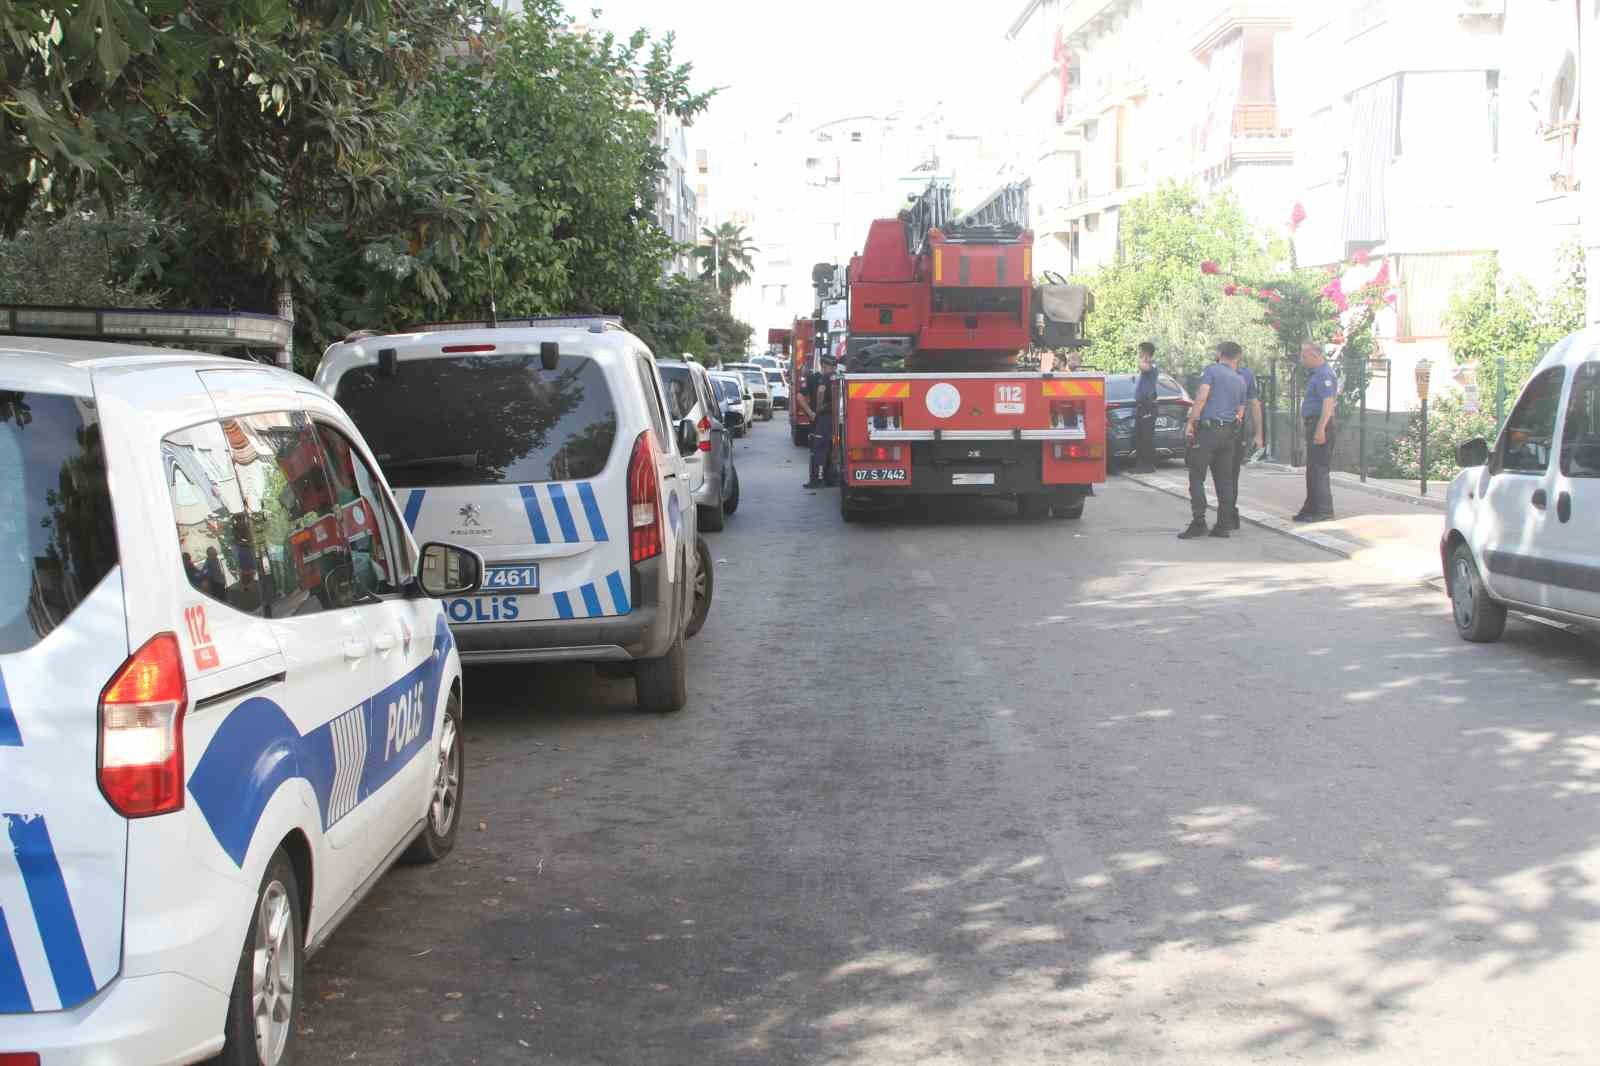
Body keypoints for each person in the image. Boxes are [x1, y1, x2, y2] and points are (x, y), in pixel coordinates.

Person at [1179, 341, 1247, 540]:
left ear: (1219, 354)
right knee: (1224, 480)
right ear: (1237, 358)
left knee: (1197, 476)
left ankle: (1199, 522)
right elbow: (1240, 412)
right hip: (1228, 434)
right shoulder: (1240, 380)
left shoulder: (1212, 371)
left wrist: (1191, 422)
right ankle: (1223, 525)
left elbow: (1201, 397)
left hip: (1208, 432)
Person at [1221, 351, 1266, 531]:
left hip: (1233, 430)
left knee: (1228, 474)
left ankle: (1228, 515)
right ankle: (1228, 515)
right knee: (1227, 474)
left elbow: (1255, 404)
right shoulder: (1218, 373)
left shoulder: (1245, 374)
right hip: (1227, 429)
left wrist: (1258, 434)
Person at [1296, 342, 1339, 522]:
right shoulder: (1318, 374)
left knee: (1319, 469)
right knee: (1313, 469)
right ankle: (1311, 508)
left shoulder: (1324, 374)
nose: (1302, 360)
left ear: (1315, 355)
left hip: (1321, 424)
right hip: (1314, 423)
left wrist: (1320, 429)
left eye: (1305, 357)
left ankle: (1324, 511)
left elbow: (1328, 403)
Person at [804, 369, 836, 489]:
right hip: (837, 417)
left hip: (824, 418)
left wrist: (817, 410)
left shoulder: (824, 377)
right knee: (831, 448)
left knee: (819, 449)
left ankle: (817, 479)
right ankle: (830, 479)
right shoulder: (839, 375)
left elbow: (821, 391)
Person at [1133, 342, 1159, 473]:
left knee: (1146, 436)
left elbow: (1143, 366)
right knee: (1139, 435)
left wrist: (1144, 359)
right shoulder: (1147, 365)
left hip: (1148, 405)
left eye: (1141, 351)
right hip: (1142, 405)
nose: (1139, 353)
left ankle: (1148, 465)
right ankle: (1140, 464)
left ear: (1146, 352)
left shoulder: (1152, 365)